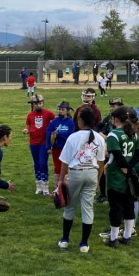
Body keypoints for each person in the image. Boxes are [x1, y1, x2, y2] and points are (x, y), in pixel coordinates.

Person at [57, 108, 106, 254]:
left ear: (80, 121)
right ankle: (84, 243)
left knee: (70, 207)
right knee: (88, 208)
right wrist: (97, 181)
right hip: (92, 173)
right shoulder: (99, 138)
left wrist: (60, 180)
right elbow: (101, 162)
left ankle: (65, 240)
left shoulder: (73, 137)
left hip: (76, 173)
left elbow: (64, 162)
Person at [101, 107, 139, 248]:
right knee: (129, 205)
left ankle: (113, 238)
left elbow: (117, 156)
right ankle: (127, 236)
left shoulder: (113, 135)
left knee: (115, 207)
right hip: (129, 176)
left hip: (116, 176)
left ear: (116, 120)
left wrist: (124, 167)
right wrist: (129, 168)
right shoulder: (132, 133)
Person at [23, 94, 56, 195]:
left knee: (42, 163)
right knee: (36, 164)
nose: (38, 105)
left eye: (40, 103)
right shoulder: (30, 115)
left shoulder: (49, 114)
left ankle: (45, 185)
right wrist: (26, 130)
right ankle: (39, 185)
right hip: (33, 142)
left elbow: (55, 124)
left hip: (43, 143)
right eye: (36, 104)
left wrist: (53, 135)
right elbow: (28, 127)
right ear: (33, 105)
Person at [45, 101, 76, 188]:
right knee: (57, 167)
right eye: (59, 109)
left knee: (66, 166)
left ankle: (65, 186)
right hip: (56, 148)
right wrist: (48, 146)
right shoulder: (54, 121)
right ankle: (57, 187)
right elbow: (48, 132)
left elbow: (70, 135)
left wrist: (59, 134)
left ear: (67, 111)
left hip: (66, 148)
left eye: (62, 110)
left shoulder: (70, 122)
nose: (60, 111)